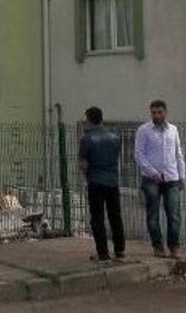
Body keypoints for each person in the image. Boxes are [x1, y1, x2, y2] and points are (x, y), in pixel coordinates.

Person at [134, 99, 186, 258]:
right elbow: (139, 154)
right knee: (153, 214)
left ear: (165, 112)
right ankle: (157, 246)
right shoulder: (144, 130)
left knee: (174, 214)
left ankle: (174, 246)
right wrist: (153, 172)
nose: (156, 115)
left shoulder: (173, 130)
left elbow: (178, 154)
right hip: (152, 179)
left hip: (172, 178)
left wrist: (182, 176)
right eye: (153, 113)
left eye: (159, 112)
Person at [78, 106, 125, 261]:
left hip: (96, 181)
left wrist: (87, 176)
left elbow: (83, 163)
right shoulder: (115, 138)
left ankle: (103, 252)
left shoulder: (87, 138)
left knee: (97, 217)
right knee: (115, 216)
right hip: (112, 181)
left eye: (85, 118)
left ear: (90, 119)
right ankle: (120, 250)